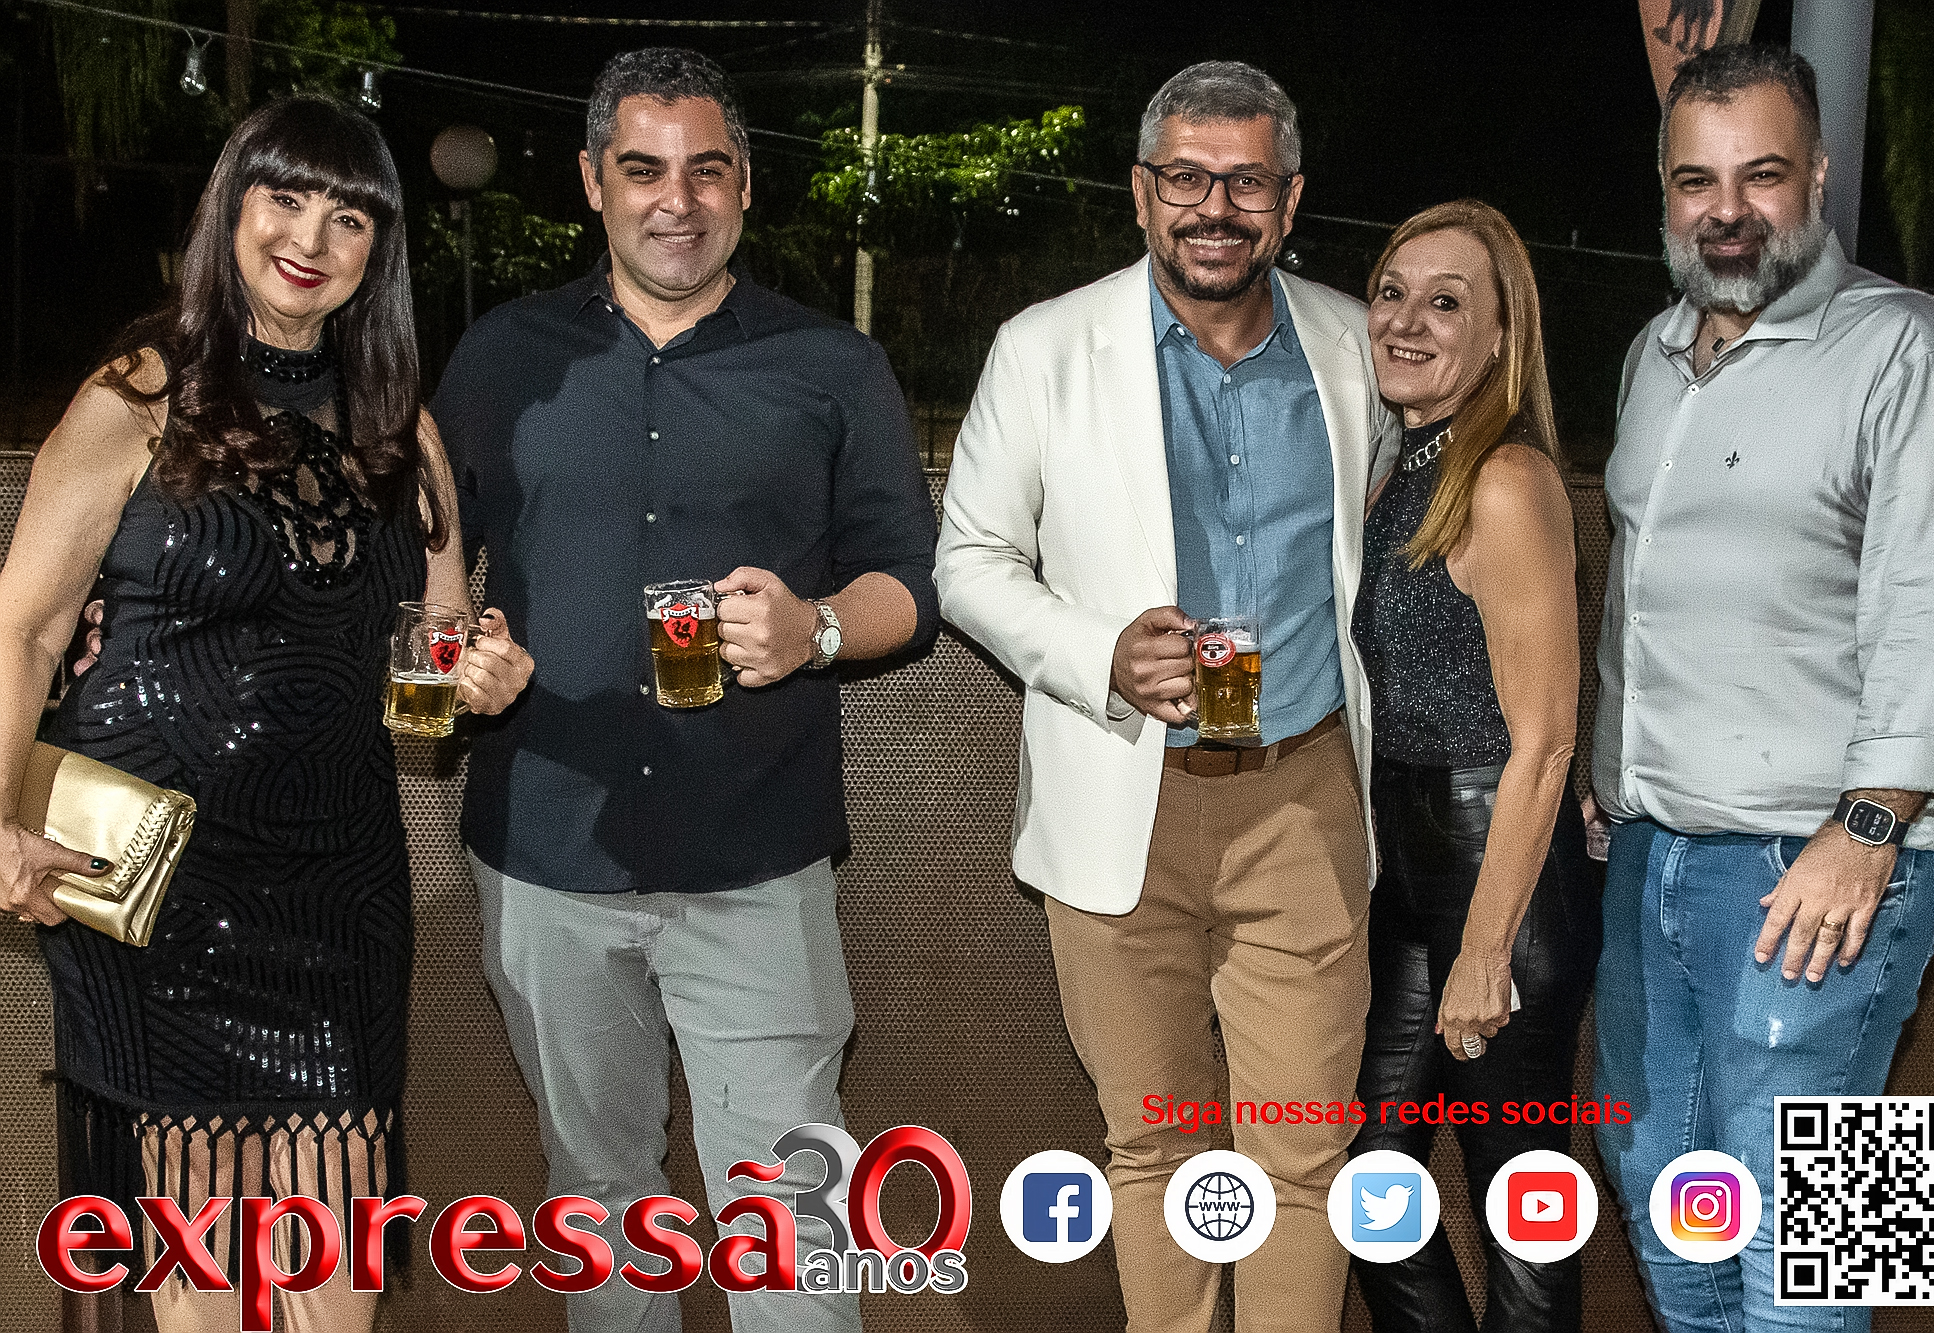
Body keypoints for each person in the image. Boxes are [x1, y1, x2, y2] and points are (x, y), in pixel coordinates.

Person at [0, 96, 533, 1333]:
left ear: (377, 249)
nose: (310, 238)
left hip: (339, 888)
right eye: (284, 199)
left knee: (333, 1265)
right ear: (230, 209)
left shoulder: (404, 431)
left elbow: (430, 677)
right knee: (206, 1270)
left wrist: (478, 680)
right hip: (156, 887)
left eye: (348, 216)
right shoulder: (136, 396)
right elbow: (23, 629)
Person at [429, 47, 937, 1333]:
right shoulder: (498, 358)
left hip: (755, 855)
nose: (677, 199)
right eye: (643, 169)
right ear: (591, 181)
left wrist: (818, 627)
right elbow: (424, 572)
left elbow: (912, 582)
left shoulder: (831, 364)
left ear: (746, 185)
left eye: (706, 170)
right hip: (547, 851)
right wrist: (459, 656)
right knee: (597, 1197)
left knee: (790, 1208)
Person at [937, 61, 1397, 1332]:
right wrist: (1097, 653)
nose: (1213, 208)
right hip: (1117, 799)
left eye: (1244, 182)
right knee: (1154, 1146)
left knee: (1301, 1151)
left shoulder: (1356, 346)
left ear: (1288, 200)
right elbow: (967, 560)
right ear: (1140, 193)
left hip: (1303, 797)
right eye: (1185, 178)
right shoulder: (1043, 347)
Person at [1590, 44, 1934, 1333]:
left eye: (1759, 175)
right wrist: (1611, 772)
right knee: (1667, 1204)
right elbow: (1642, 590)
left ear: (1816, 175)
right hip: (1650, 852)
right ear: (1662, 189)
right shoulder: (1650, 355)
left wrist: (1868, 829)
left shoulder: (1917, 350)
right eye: (1694, 180)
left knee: (1818, 1260)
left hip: (1832, 860)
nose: (1726, 210)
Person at [1345, 200, 1598, 1332]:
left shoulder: (1505, 479)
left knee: (1522, 1207)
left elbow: (1544, 740)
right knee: (1372, 1184)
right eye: (1391, 292)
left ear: (1500, 337)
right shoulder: (1400, 472)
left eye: (1444, 302)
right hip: (1407, 875)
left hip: (1504, 881)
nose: (1405, 320)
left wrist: (1486, 949)